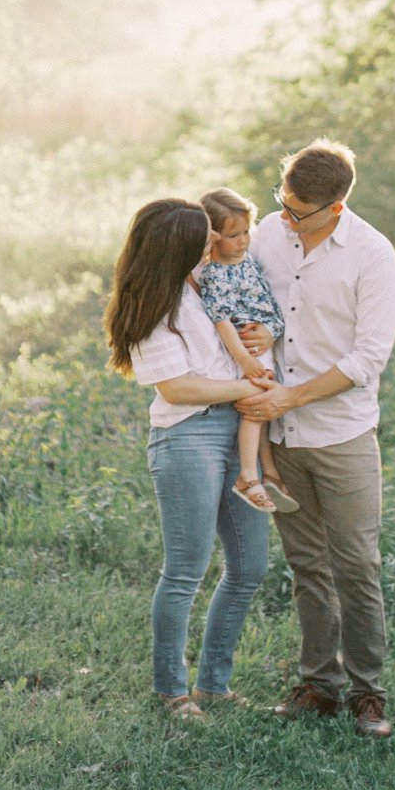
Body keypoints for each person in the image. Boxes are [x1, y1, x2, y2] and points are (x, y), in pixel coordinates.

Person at [238, 139, 395, 739]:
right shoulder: (269, 237)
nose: (285, 216)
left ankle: (369, 693)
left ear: (335, 208)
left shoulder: (373, 256)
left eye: (299, 209)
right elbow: (249, 303)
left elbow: (367, 358)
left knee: (357, 565)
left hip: (342, 436)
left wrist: (292, 395)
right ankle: (319, 684)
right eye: (281, 201)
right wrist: (253, 334)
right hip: (280, 435)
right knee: (308, 565)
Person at [104, 196, 270, 719]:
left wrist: (260, 337)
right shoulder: (155, 307)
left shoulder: (209, 281)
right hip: (187, 438)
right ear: (175, 251)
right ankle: (171, 691)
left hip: (234, 429)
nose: (212, 246)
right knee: (185, 571)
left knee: (249, 566)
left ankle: (214, 686)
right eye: (201, 242)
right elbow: (176, 389)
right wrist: (245, 386)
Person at [198, 187, 299, 516]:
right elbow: (221, 319)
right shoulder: (216, 273)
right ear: (212, 237)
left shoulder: (248, 261)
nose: (242, 240)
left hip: (262, 341)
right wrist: (243, 357)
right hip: (245, 346)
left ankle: (268, 471)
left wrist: (272, 331)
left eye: (245, 232)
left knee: (266, 406)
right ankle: (247, 475)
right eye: (232, 235)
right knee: (256, 404)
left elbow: (268, 304)